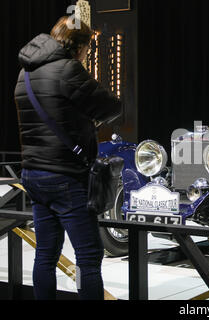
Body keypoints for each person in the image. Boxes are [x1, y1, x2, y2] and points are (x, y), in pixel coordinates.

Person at [14, 16, 122, 300]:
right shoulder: (68, 69)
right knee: (89, 256)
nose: (88, 53)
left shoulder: (24, 73)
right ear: (79, 46)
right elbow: (112, 107)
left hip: (33, 173)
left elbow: (53, 113)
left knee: (46, 254)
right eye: (88, 47)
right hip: (65, 176)